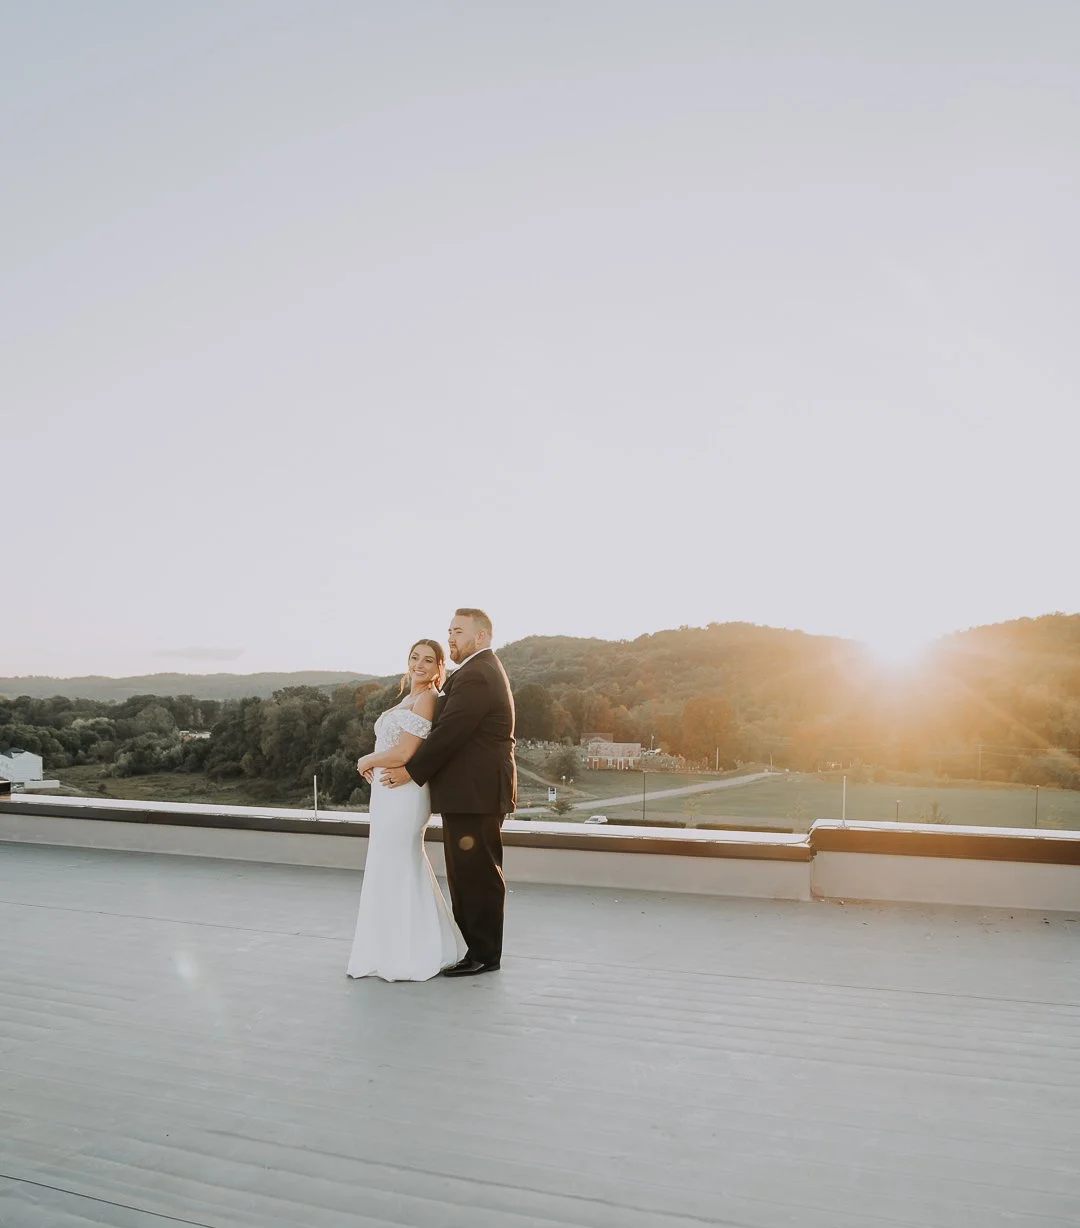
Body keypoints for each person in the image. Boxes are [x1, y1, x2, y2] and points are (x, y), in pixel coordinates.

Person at [380, 608, 516, 977]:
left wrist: (410, 770)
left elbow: (450, 733)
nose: (451, 638)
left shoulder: (478, 675)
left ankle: (485, 955)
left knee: (477, 875)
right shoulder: (475, 672)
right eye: (450, 631)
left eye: (458, 632)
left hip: (477, 793)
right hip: (472, 792)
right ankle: (477, 949)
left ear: (482, 636)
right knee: (468, 874)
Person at [346, 639, 466, 981]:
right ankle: (389, 946)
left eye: (429, 660)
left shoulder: (428, 698)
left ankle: (413, 949)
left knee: (400, 863)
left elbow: (405, 752)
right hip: (387, 795)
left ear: (439, 667)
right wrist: (376, 762)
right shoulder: (408, 698)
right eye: (415, 657)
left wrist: (367, 759)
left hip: (405, 793)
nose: (420, 664)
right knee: (388, 864)